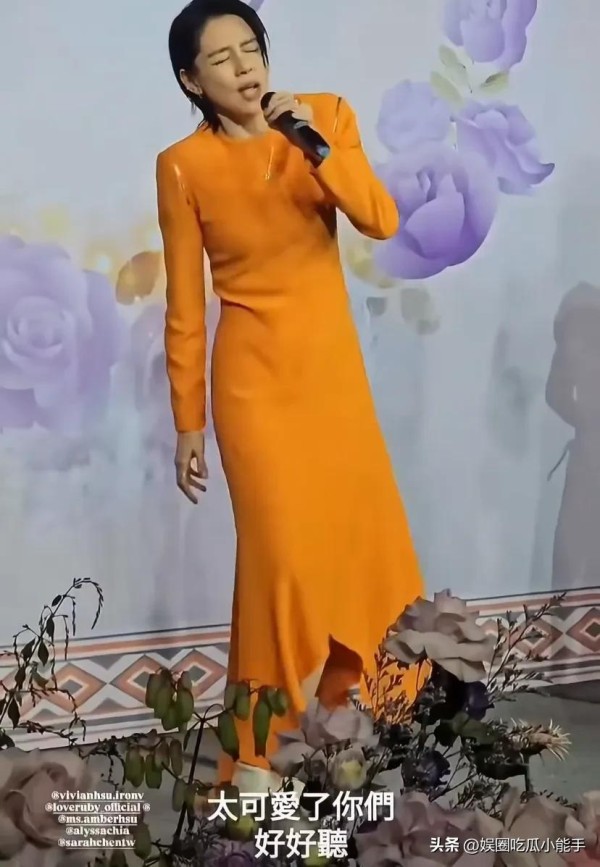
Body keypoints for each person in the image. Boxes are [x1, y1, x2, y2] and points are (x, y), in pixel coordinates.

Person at [157, 0, 424, 790]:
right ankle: (263, 756)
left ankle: (353, 731)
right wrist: (187, 421)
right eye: (222, 59)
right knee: (280, 564)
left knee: (358, 545)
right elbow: (184, 304)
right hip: (252, 386)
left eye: (252, 49)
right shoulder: (183, 165)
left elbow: (379, 218)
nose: (244, 67)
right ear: (191, 80)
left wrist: (313, 145)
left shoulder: (325, 117)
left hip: (331, 378)